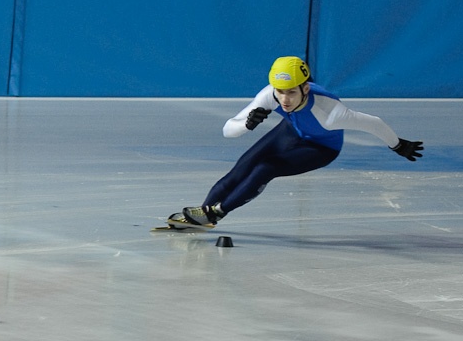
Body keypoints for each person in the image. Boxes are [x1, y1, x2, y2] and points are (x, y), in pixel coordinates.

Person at [172, 56, 423, 229]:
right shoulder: (270, 94)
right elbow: (229, 130)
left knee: (266, 168)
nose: (284, 99)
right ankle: (204, 212)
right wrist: (247, 125)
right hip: (291, 131)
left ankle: (218, 213)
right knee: (244, 164)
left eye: (291, 91)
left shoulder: (331, 112)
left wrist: (397, 144)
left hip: (321, 148)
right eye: (280, 91)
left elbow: (374, 123)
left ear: (305, 88)